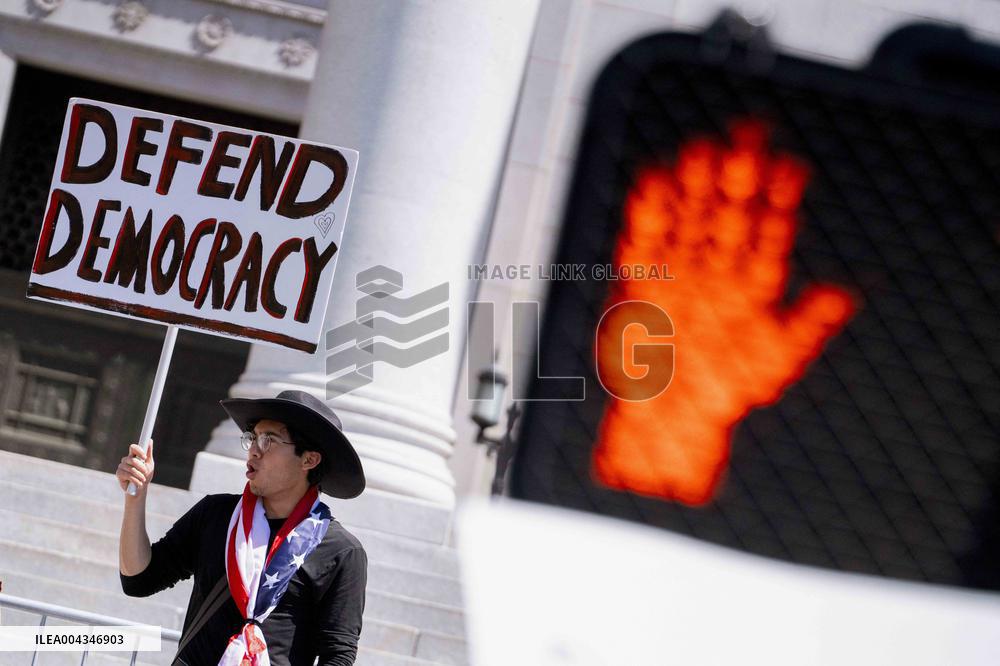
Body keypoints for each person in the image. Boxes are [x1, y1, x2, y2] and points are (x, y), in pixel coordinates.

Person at [117, 390, 368, 666]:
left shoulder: (342, 551)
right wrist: (135, 498)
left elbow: (339, 655)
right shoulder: (215, 515)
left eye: (268, 440)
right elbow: (139, 579)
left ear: (309, 460)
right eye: (252, 438)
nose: (253, 450)